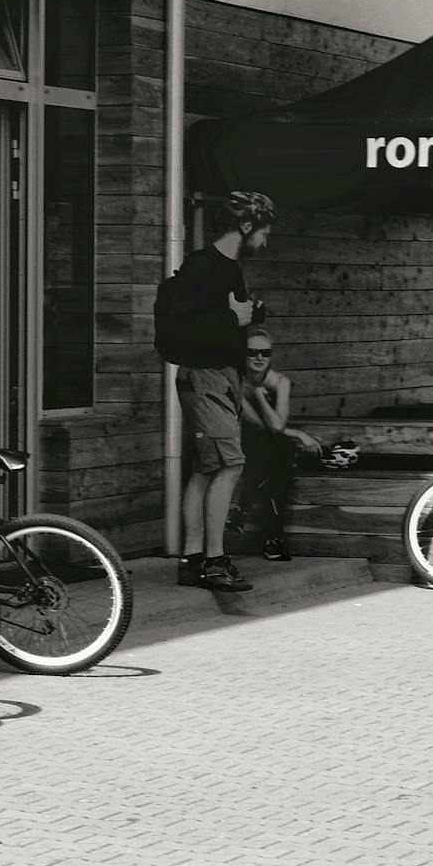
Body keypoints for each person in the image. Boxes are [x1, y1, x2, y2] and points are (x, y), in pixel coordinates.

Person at [163, 190, 277, 592]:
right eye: (263, 233)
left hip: (223, 376)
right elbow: (181, 324)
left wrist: (245, 317)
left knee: (205, 468)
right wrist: (230, 316)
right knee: (230, 465)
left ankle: (192, 560)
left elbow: (220, 321)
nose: (265, 242)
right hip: (205, 376)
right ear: (245, 227)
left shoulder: (231, 269)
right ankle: (214, 561)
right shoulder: (202, 266)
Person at [235, 327, 321, 561]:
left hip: (268, 449)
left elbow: (277, 424)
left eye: (265, 352)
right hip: (240, 442)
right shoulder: (237, 382)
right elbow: (262, 426)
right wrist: (299, 434)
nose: (259, 357)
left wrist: (260, 395)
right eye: (252, 352)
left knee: (278, 454)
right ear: (242, 354)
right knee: (278, 449)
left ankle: (243, 509)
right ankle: (274, 539)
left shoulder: (281, 382)